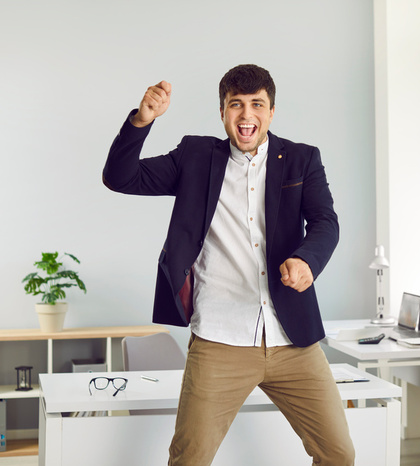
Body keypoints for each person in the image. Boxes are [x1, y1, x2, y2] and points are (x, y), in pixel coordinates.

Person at [103, 64, 354, 465]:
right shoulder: (195, 157)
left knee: (339, 454)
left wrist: (307, 261)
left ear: (272, 112)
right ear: (223, 112)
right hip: (220, 340)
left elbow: (326, 221)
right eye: (236, 104)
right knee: (189, 459)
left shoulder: (302, 160)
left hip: (292, 340)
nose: (246, 114)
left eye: (257, 104)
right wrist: (142, 120)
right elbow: (121, 177)